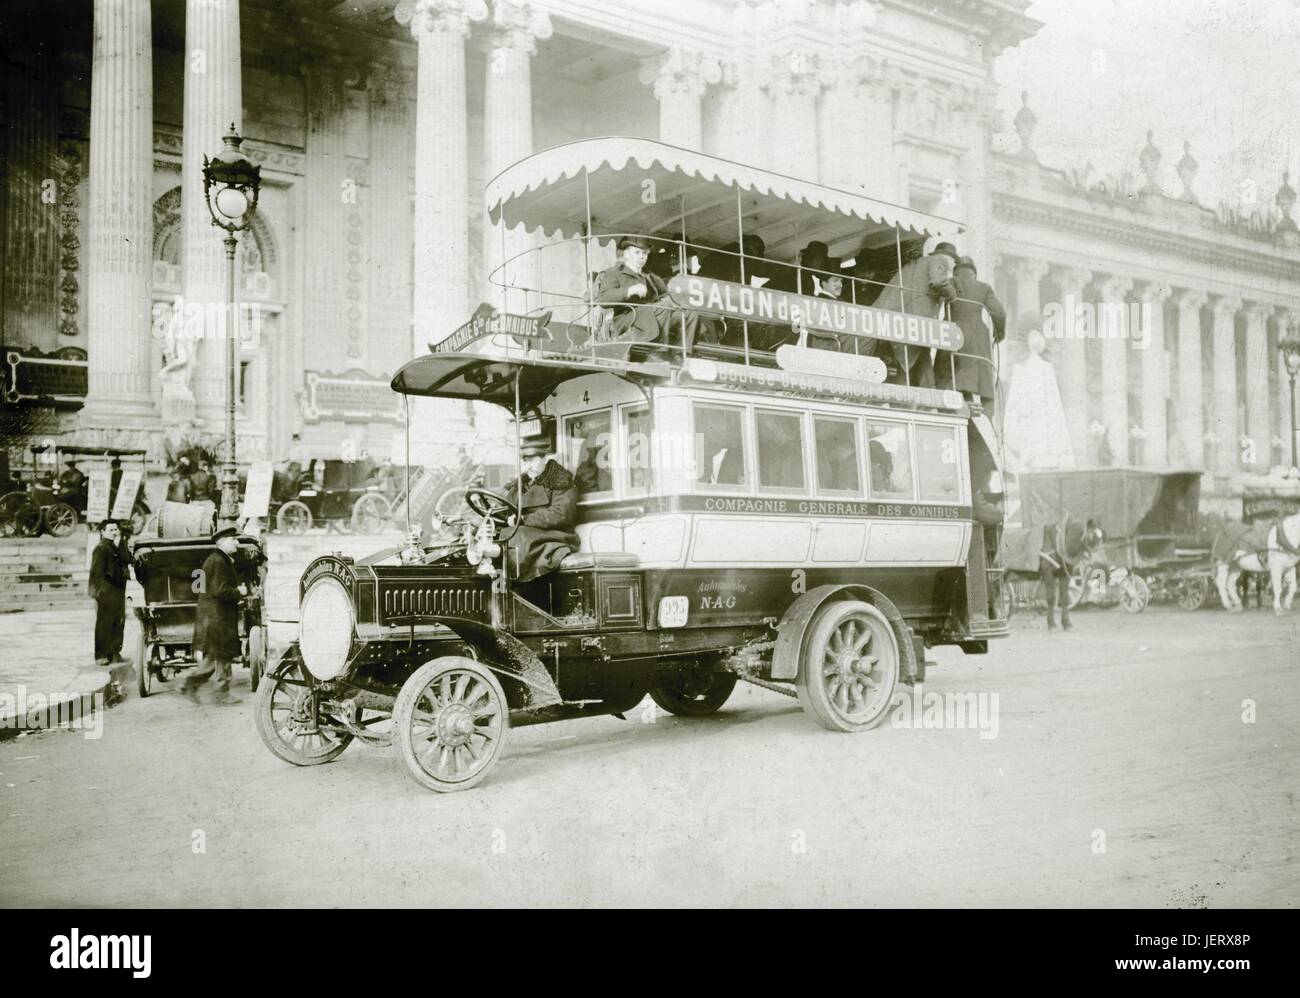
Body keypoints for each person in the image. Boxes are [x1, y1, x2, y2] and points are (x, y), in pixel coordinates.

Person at [594, 234, 708, 355]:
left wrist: (674, 301)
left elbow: (665, 296)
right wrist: (629, 291)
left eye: (645, 253)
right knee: (664, 306)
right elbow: (603, 299)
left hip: (654, 315)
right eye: (637, 253)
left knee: (689, 313)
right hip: (628, 317)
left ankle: (680, 353)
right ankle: (659, 350)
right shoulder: (614, 273)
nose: (641, 256)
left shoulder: (651, 276)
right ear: (627, 254)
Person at [871, 241, 958, 387]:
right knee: (917, 362)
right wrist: (953, 295)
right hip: (916, 323)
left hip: (898, 319)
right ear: (948, 258)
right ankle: (928, 404)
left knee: (913, 363)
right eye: (954, 262)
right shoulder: (939, 260)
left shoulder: (914, 265)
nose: (953, 266)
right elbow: (937, 281)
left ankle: (923, 402)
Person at [497, 431, 579, 582]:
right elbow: (502, 509)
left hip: (557, 534)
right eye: (525, 461)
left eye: (532, 460)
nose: (528, 466)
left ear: (545, 458)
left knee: (518, 536)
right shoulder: (520, 485)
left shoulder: (561, 481)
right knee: (500, 536)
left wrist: (523, 519)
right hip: (527, 533)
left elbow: (561, 514)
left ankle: (517, 586)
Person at [183, 526, 248, 705]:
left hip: (212, 617)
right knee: (221, 656)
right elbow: (220, 590)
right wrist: (239, 591)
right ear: (222, 542)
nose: (237, 542)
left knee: (215, 657)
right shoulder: (219, 561)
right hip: (218, 618)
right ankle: (217, 692)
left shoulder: (217, 559)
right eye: (233, 539)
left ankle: (195, 686)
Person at [937, 256, 1007, 411]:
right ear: (973, 274)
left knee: (950, 380)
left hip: (951, 333)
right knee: (985, 385)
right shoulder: (984, 287)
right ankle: (988, 421)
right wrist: (999, 334)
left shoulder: (951, 282)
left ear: (956, 272)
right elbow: (999, 312)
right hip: (977, 336)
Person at [88, 521, 129, 665]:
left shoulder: (115, 547)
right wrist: (104, 591)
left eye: (116, 529)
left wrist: (122, 541)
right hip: (106, 591)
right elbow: (97, 573)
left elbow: (127, 560)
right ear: (102, 532)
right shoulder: (101, 548)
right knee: (104, 624)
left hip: (117, 590)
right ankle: (101, 655)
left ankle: (114, 654)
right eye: (110, 529)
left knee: (118, 622)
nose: (114, 532)